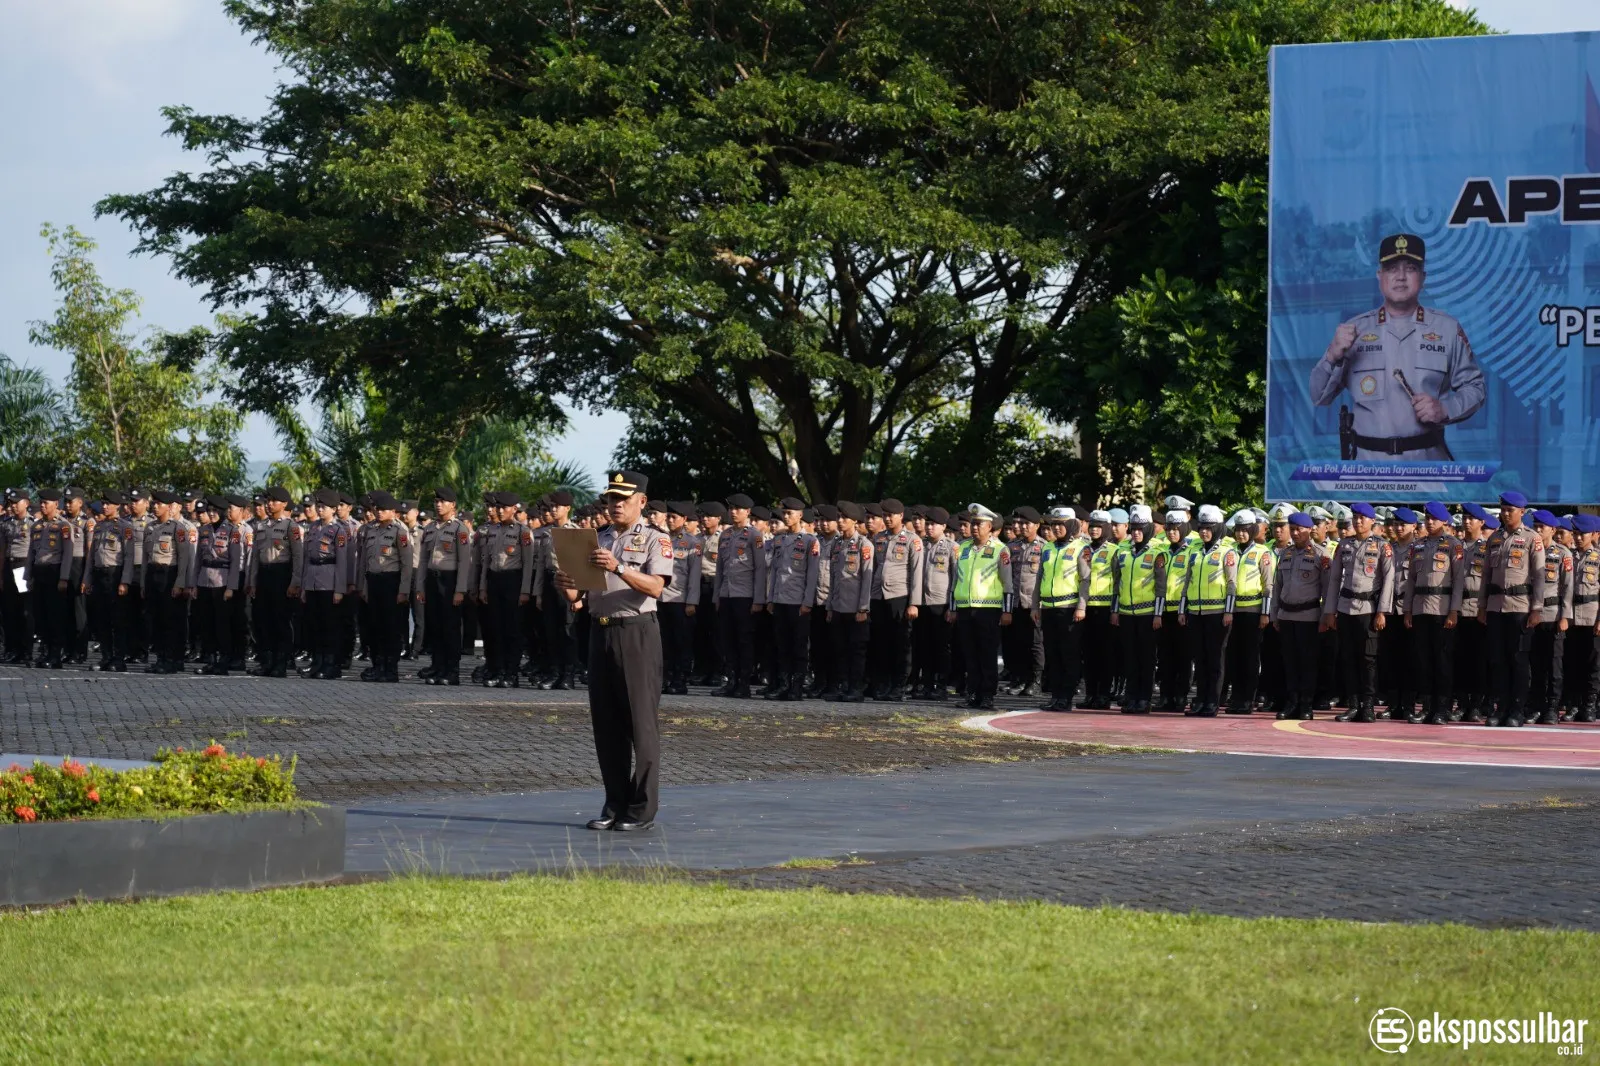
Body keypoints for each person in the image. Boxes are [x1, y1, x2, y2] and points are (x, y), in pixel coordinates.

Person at [554, 470, 672, 832]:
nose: (616, 504)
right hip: (600, 632)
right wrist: (567, 586)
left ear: (641, 502)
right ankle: (614, 804)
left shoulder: (656, 539)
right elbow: (579, 597)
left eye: (623, 498)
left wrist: (619, 566)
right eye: (611, 498)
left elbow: (656, 587)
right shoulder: (596, 539)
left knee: (641, 725)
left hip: (636, 632)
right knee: (606, 725)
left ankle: (641, 810)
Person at [1310, 234, 1486, 460]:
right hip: (1369, 470)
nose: (1401, 277)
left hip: (1427, 465)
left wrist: (1445, 409)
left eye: (1410, 268)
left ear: (1423, 277)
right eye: (1392, 268)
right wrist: (1332, 355)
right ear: (1379, 276)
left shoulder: (1447, 330)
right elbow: (1318, 396)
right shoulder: (1354, 331)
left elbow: (1475, 388)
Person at [1326, 502, 1393, 723]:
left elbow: (1388, 580)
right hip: (1345, 608)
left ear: (1372, 521)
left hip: (1368, 609)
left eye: (1363, 517)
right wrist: (1330, 610)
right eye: (1355, 517)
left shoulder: (1382, 546)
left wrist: (1382, 611)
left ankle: (1368, 706)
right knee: (1348, 658)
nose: (1358, 521)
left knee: (1368, 660)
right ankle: (1353, 705)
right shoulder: (1344, 545)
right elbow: (1335, 579)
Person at [1483, 491, 1545, 727]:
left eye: (1510, 510)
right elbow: (1486, 576)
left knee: (1518, 660)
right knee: (1498, 660)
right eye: (1503, 509)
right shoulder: (1494, 538)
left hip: (1520, 607)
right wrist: (1482, 605)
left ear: (1522, 512)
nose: (1505, 513)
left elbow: (1539, 578)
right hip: (1496, 607)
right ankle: (1501, 708)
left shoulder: (1532, 538)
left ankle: (1517, 710)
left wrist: (1536, 608)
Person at [1403, 502, 1464, 724]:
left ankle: (1442, 708)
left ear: (1444, 522)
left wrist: (1454, 611)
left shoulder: (1453, 545)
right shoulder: (1417, 546)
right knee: (1423, 661)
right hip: (1420, 609)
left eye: (1434, 519)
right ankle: (1427, 707)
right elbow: (1410, 581)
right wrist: (1407, 610)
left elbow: (1458, 581)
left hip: (1442, 608)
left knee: (1442, 661)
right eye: (1427, 518)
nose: (1429, 522)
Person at [948, 504, 1013, 710]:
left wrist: (1007, 610)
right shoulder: (963, 548)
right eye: (973, 523)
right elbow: (955, 581)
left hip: (988, 608)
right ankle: (972, 693)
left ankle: (987, 695)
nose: (974, 528)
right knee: (970, 654)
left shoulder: (1000, 549)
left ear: (989, 527)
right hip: (965, 608)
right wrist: (952, 607)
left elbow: (1008, 583)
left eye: (979, 524)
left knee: (986, 654)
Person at [1179, 505, 1236, 717]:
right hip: (1196, 612)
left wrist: (1229, 611)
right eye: (1201, 527)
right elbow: (1187, 581)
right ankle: (1200, 700)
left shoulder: (1226, 552)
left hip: (1217, 613)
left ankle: (1212, 701)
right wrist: (1183, 609)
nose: (1204, 531)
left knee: (1215, 659)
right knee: (1200, 660)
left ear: (1218, 528)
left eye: (1209, 527)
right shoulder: (1194, 551)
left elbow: (1232, 584)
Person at [1109, 504, 1165, 713]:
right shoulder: (1123, 550)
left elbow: (1161, 587)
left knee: (1147, 658)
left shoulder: (1158, 552)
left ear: (1149, 528)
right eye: (1134, 528)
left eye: (1141, 528)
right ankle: (1131, 696)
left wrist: (1158, 613)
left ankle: (1144, 698)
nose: (1137, 532)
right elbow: (1117, 583)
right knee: (1129, 657)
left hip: (1148, 613)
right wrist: (1115, 610)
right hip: (1126, 613)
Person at [1271, 512, 1327, 720]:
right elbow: (1277, 587)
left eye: (1299, 530)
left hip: (1309, 616)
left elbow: (1327, 588)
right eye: (1292, 529)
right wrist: (1274, 614)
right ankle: (1291, 702)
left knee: (1308, 662)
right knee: (1290, 662)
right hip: (1286, 615)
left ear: (1309, 530)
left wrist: (1326, 616)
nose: (1295, 533)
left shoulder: (1321, 554)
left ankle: (1306, 704)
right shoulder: (1286, 554)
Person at [356, 491, 415, 684]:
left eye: (383, 510)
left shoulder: (400, 530)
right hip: (373, 582)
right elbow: (364, 562)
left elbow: (407, 564)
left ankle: (391, 668)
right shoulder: (370, 530)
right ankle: (377, 664)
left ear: (393, 511)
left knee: (390, 628)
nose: (379, 513)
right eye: (377, 509)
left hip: (391, 582)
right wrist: (363, 586)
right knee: (374, 627)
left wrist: (403, 590)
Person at [765, 497, 820, 701]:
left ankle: (796, 686)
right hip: (780, 599)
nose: (786, 516)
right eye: (784, 513)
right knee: (782, 645)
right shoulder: (779, 540)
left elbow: (812, 575)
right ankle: (784, 684)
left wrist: (807, 602)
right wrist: (771, 598)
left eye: (789, 513)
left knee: (798, 646)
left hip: (798, 601)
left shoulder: (809, 541)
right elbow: (776, 572)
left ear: (799, 515)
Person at [713, 493, 767, 698]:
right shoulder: (725, 535)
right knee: (727, 640)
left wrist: (758, 599)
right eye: (731, 509)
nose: (733, 512)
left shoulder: (755, 536)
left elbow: (760, 569)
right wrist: (717, 596)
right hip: (726, 594)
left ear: (748, 512)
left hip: (745, 596)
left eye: (738, 509)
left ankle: (744, 683)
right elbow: (720, 569)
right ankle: (731, 680)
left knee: (744, 640)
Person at [825, 502, 874, 702]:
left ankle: (856, 688)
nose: (840, 521)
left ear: (854, 521)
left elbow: (866, 579)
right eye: (839, 517)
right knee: (840, 649)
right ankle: (843, 686)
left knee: (856, 650)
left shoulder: (864, 544)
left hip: (856, 607)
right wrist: (829, 605)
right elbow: (833, 577)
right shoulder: (837, 544)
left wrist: (863, 607)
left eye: (844, 518)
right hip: (838, 605)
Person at [658, 501, 702, 695]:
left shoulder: (693, 543)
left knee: (681, 642)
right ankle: (666, 678)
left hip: (680, 598)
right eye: (668, 516)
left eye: (674, 517)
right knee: (664, 642)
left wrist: (692, 601)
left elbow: (694, 575)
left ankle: (680, 679)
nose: (670, 520)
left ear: (684, 520)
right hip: (660, 598)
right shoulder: (660, 539)